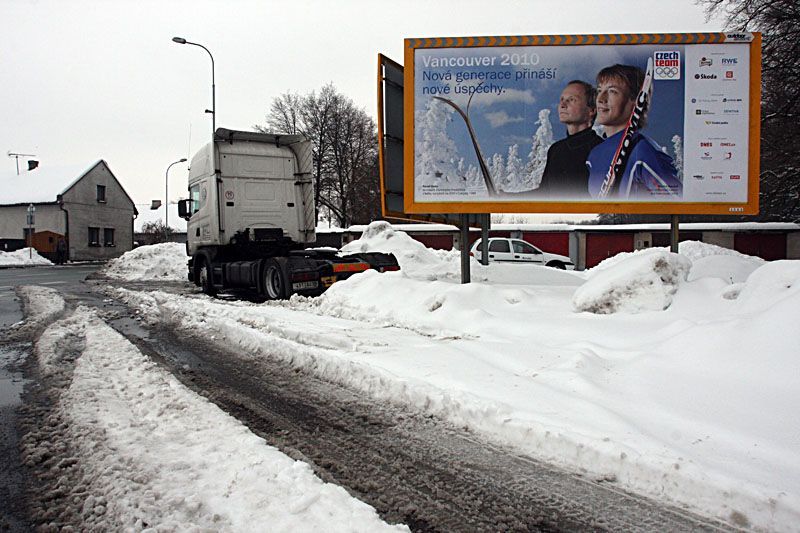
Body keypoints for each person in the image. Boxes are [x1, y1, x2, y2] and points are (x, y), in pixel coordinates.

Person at [587, 64, 681, 199]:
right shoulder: (594, 155)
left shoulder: (643, 151)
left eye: (612, 91)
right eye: (599, 90)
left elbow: (677, 200)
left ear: (635, 101)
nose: (601, 99)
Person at [538, 80, 603, 198]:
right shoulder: (555, 150)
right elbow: (542, 195)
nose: (562, 105)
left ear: (592, 110)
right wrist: (505, 196)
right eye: (562, 99)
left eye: (572, 100)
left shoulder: (602, 150)